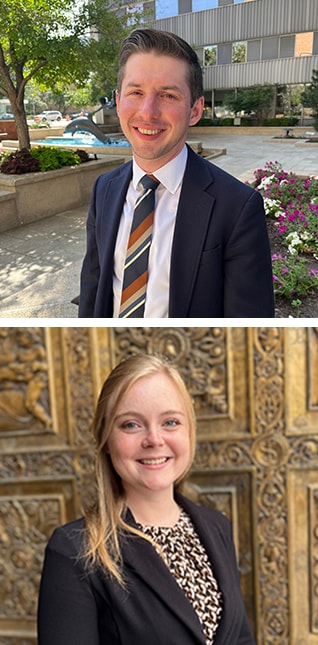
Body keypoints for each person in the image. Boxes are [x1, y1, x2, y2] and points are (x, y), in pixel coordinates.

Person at [38, 353, 256, 645]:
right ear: (105, 438)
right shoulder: (75, 549)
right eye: (130, 425)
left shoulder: (217, 526)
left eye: (170, 422)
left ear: (189, 430)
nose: (154, 439)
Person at [78, 28, 274, 318]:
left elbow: (248, 328)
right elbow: (93, 289)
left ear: (195, 110)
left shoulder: (237, 208)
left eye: (167, 95)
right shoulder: (104, 189)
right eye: (136, 92)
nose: (147, 112)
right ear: (118, 102)